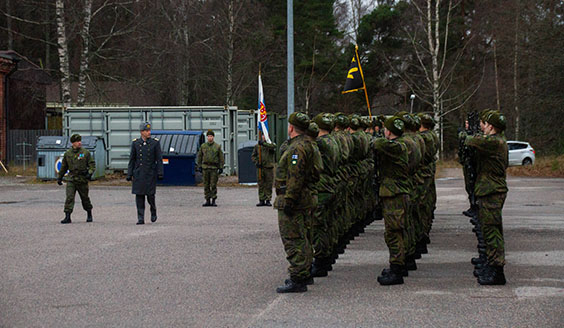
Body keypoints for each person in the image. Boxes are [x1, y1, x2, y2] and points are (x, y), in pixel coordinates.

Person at [274, 112, 320, 293]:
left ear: (291, 127)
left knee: (294, 238)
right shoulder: (308, 145)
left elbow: (295, 177)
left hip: (295, 199)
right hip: (305, 198)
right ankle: (305, 272)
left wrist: (290, 200)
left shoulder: (297, 149)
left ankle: (298, 277)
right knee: (305, 236)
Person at [461, 111, 508, 285]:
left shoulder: (495, 142)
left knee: (492, 231)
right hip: (489, 190)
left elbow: (471, 140)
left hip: (492, 191)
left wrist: (470, 132)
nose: (484, 127)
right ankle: (491, 263)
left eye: (486, 124)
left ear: (492, 126)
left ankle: (497, 270)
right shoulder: (495, 141)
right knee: (489, 230)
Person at [373, 116, 410, 285]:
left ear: (389, 131)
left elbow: (377, 144)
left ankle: (397, 269)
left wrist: (375, 135)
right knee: (393, 232)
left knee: (394, 232)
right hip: (393, 193)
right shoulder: (398, 144)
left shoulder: (398, 146)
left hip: (395, 194)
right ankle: (397, 265)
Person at [127, 122, 164, 225]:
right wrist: (129, 174)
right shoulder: (135, 143)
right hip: (139, 174)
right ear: (141, 132)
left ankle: (153, 210)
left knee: (150, 196)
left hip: (150, 173)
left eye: (149, 130)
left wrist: (160, 172)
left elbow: (159, 159)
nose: (149, 132)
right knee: (139, 196)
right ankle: (140, 217)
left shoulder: (155, 143)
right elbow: (132, 160)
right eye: (146, 131)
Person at [57, 133, 95, 224]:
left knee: (85, 198)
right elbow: (64, 167)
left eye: (80, 141)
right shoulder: (68, 154)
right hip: (72, 178)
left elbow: (92, 165)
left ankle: (89, 213)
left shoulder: (85, 153)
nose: (79, 143)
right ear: (73, 143)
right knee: (69, 197)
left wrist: (89, 173)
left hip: (82, 179)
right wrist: (60, 178)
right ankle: (67, 216)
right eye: (77, 141)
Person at [197, 129, 225, 207]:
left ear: (213, 137)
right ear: (207, 137)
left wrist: (221, 167)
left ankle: (213, 200)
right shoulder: (203, 146)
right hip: (205, 167)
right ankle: (207, 200)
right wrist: (199, 166)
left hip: (214, 168)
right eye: (209, 136)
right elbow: (199, 156)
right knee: (206, 184)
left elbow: (221, 158)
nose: (210, 138)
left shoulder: (217, 146)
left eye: (211, 136)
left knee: (213, 184)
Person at [251, 134, 276, 206]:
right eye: (263, 136)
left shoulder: (270, 145)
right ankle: (261, 199)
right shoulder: (257, 146)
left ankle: (268, 199)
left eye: (265, 136)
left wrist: (264, 143)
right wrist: (256, 162)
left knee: (269, 184)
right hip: (260, 168)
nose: (264, 137)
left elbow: (273, 147)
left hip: (268, 167)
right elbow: (253, 155)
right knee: (261, 184)